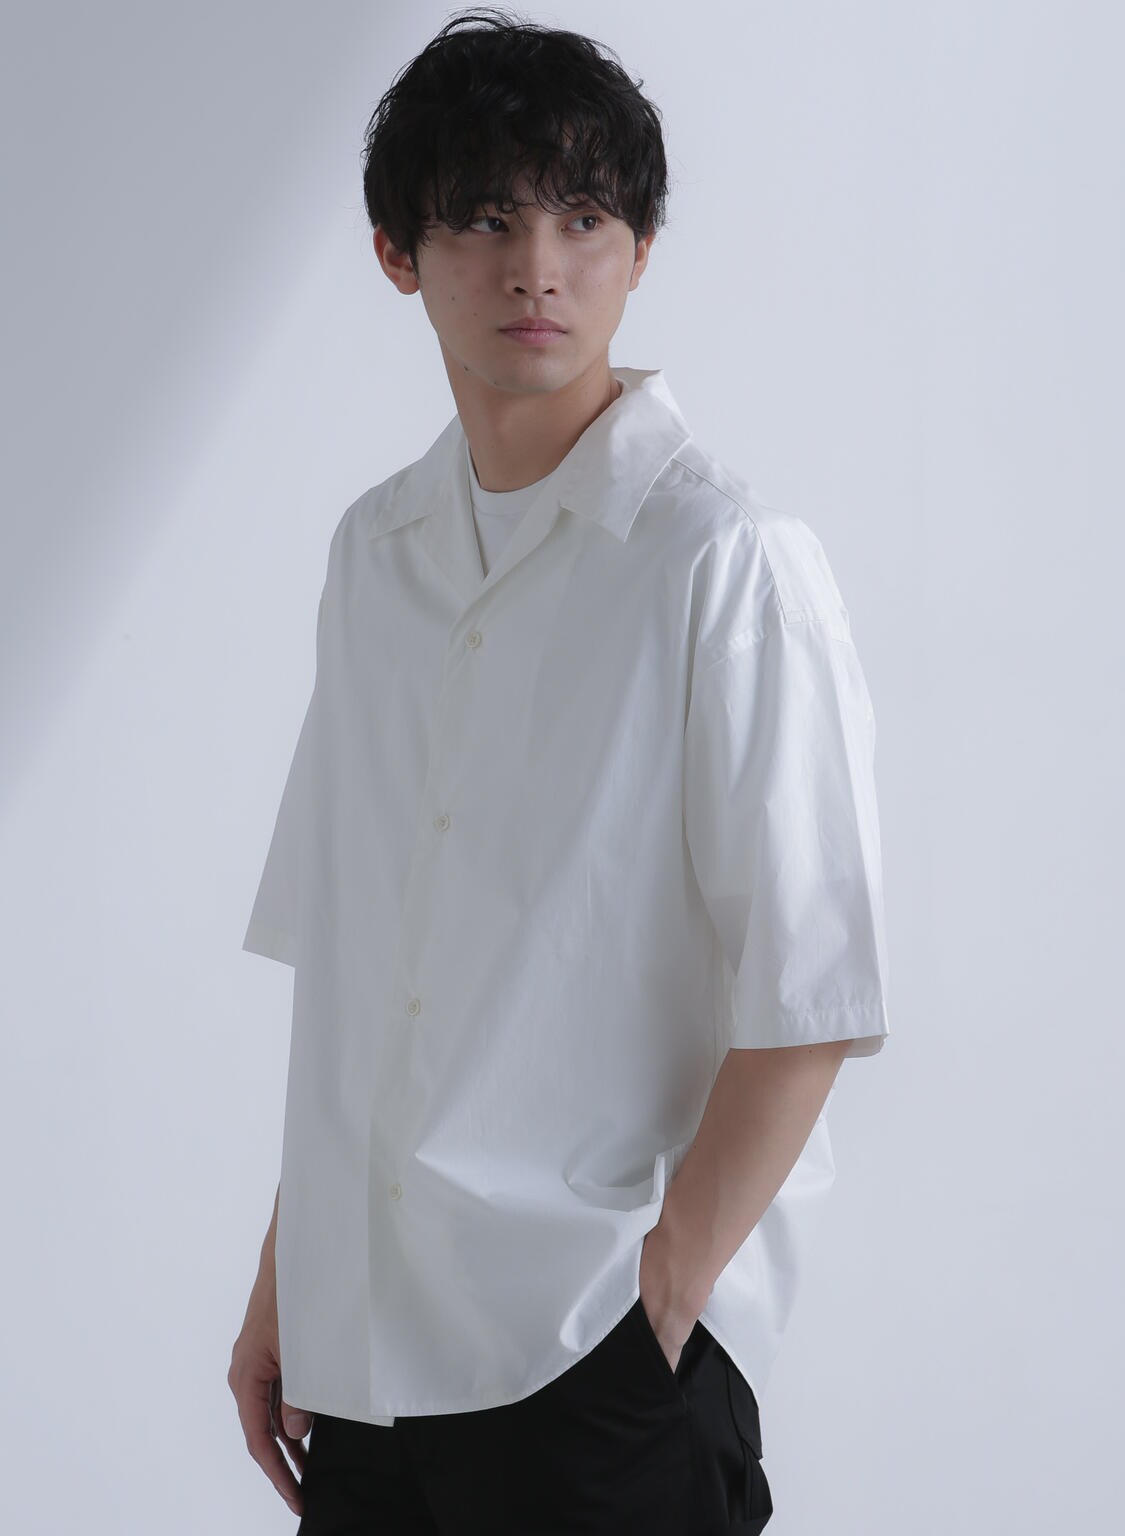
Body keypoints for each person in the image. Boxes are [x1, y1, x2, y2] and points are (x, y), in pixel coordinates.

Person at [226, 8, 890, 1533]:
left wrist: (660, 1300)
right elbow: (362, 977)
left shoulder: (726, 562)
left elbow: (812, 998)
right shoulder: (374, 555)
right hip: (368, 1356)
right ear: (398, 253)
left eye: (584, 218)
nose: (537, 266)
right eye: (483, 218)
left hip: (591, 1360)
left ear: (641, 250)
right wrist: (290, 1279)